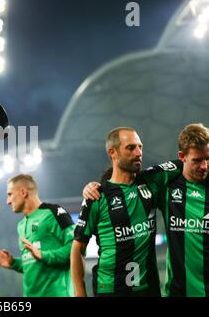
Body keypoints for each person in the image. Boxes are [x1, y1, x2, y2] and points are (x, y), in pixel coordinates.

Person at [83, 123, 209, 297]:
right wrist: (98, 186)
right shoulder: (166, 186)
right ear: (182, 157)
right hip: (172, 292)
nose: (204, 166)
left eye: (208, 159)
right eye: (197, 160)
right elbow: (128, 181)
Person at [71, 127, 163, 297]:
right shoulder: (97, 196)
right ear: (113, 153)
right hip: (112, 290)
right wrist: (80, 292)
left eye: (140, 147)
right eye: (131, 147)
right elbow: (78, 248)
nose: (138, 152)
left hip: (148, 289)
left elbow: (185, 163)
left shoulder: (151, 183)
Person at [0, 174, 75, 297]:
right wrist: (13, 263)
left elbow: (76, 247)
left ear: (23, 192)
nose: (8, 201)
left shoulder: (53, 212)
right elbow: (33, 262)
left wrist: (43, 255)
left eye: (10, 194)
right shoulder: (21, 225)